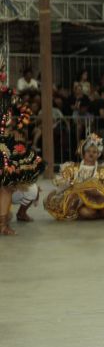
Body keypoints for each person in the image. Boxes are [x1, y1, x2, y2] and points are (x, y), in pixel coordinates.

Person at [44, 134, 104, 220]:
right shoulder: (73, 169)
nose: (91, 154)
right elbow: (62, 184)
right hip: (81, 202)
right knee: (86, 212)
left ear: (98, 154)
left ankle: (100, 212)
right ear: (83, 153)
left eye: (94, 152)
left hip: (100, 200)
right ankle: (96, 214)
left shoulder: (103, 170)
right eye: (88, 151)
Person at [0, 83, 45, 235]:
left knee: (7, 186)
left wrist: (18, 129)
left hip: (5, 147)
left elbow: (26, 111)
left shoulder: (8, 95)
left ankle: (3, 224)